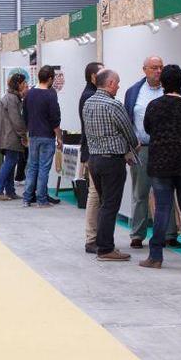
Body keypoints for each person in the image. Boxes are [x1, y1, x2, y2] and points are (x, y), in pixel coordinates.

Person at [140, 65, 181, 268]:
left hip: (160, 164)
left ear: (163, 83)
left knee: (162, 209)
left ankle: (156, 256)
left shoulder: (154, 105)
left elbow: (148, 129)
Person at [124, 56, 181, 249]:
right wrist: (129, 145)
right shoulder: (134, 92)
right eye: (154, 68)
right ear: (144, 69)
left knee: (165, 192)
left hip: (167, 150)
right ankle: (137, 235)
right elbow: (128, 119)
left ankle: (170, 234)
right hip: (142, 148)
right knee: (140, 192)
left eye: (161, 67)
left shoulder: (173, 90)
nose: (158, 71)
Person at [83, 68, 139, 262]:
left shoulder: (88, 103)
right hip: (112, 161)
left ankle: (100, 242)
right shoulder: (114, 105)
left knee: (103, 202)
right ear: (110, 84)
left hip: (94, 160)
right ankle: (106, 248)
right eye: (117, 82)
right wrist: (134, 147)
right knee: (110, 205)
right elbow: (129, 132)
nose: (119, 86)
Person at [22, 66, 63, 208]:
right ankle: (41, 199)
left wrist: (27, 133)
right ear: (50, 78)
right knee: (44, 168)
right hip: (47, 136)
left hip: (33, 135)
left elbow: (25, 116)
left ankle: (27, 198)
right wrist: (59, 137)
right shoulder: (51, 95)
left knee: (32, 166)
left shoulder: (29, 93)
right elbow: (55, 119)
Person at [0, 73, 28, 201]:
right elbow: (16, 119)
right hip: (10, 136)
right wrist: (23, 135)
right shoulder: (13, 99)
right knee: (10, 162)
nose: (25, 85)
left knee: (10, 163)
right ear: (18, 84)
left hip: (7, 135)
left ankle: (10, 190)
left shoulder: (10, 97)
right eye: (23, 83)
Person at [80, 62, 104, 254]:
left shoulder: (90, 94)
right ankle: (91, 238)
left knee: (96, 194)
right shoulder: (90, 96)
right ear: (93, 77)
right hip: (94, 151)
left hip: (93, 151)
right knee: (94, 194)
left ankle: (95, 236)